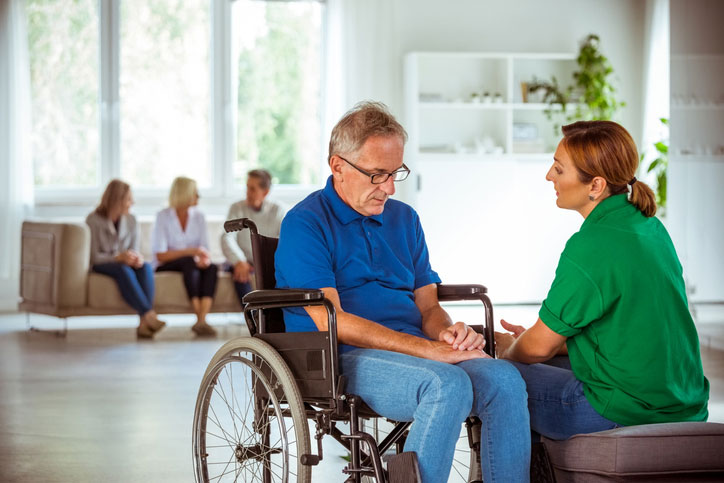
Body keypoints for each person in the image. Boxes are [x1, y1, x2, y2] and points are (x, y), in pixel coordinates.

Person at [275, 101, 530, 483]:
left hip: (413, 351)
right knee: (444, 383)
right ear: (338, 166)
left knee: (505, 379)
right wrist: (427, 350)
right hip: (340, 357)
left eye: (396, 174)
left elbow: (428, 307)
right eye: (377, 175)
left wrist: (446, 333)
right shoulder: (305, 224)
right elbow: (335, 322)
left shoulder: (405, 219)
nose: (390, 188)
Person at [495, 120, 709, 441]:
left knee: (493, 380)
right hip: (683, 404)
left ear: (595, 185)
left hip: (625, 411)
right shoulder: (650, 226)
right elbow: (626, 336)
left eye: (559, 168)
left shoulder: (591, 245)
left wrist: (508, 349)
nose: (548, 176)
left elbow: (537, 348)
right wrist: (537, 341)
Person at [86, 179, 166, 338]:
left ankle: (144, 323)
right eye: (129, 199)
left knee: (146, 267)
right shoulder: (93, 220)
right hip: (104, 264)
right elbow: (94, 256)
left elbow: (134, 249)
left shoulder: (131, 220)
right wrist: (118, 258)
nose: (132, 202)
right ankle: (149, 314)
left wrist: (136, 258)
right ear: (117, 199)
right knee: (123, 270)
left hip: (125, 262)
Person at [152, 176, 219, 337]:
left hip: (192, 263)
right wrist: (191, 252)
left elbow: (204, 250)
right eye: (195, 193)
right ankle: (200, 319)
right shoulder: (163, 216)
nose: (198, 196)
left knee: (212, 268)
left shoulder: (199, 216)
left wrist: (204, 260)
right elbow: (161, 255)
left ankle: (201, 320)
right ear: (184, 194)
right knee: (188, 261)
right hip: (167, 263)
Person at [221, 169, 285, 305]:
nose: (247, 193)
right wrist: (239, 261)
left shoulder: (278, 210)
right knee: (241, 274)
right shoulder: (236, 208)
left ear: (265, 192)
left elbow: (285, 239)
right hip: (243, 261)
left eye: (252, 189)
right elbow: (227, 237)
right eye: (247, 188)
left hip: (268, 261)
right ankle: (254, 318)